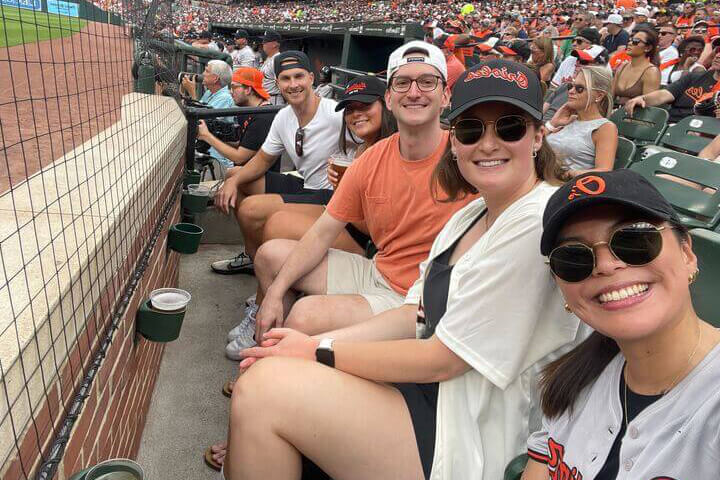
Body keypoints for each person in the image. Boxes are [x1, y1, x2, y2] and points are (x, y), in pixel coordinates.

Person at [218, 59, 582, 480]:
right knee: (278, 365)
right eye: (471, 130)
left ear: (538, 136)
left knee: (263, 393)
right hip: (435, 396)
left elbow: (443, 360)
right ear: (456, 142)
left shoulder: (537, 219)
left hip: (472, 432)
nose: (487, 143)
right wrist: (307, 345)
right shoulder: (473, 215)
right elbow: (416, 314)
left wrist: (320, 350)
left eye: (509, 128)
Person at [251, 41, 479, 341]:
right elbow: (322, 233)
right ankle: (270, 347)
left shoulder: (468, 155)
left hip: (415, 298)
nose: (414, 92)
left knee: (305, 316)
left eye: (427, 82)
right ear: (389, 97)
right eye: (402, 83)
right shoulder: (372, 155)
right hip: (378, 271)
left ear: (445, 95)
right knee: (269, 255)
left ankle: (279, 357)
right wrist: (273, 295)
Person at [521, 169, 720, 480]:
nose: (605, 265)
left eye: (635, 240)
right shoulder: (572, 380)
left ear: (687, 254)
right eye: (574, 257)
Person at [210, 51, 344, 277]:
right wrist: (233, 182)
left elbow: (370, 139)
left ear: (311, 78)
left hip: (330, 194)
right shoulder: (284, 116)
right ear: (277, 83)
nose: (293, 85)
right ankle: (254, 260)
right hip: (308, 187)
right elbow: (263, 159)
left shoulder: (334, 113)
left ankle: (267, 265)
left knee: (250, 210)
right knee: (235, 174)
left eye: (298, 76)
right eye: (286, 78)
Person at [196, 67, 278, 170]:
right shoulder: (246, 111)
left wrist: (206, 136)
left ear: (248, 89)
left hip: (261, 180)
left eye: (234, 87)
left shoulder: (264, 117)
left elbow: (240, 158)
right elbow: (241, 144)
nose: (230, 92)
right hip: (243, 175)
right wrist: (214, 133)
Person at [546, 66, 618, 176]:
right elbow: (534, 146)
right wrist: (553, 123)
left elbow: (604, 171)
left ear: (598, 96)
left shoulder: (605, 128)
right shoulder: (568, 120)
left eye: (579, 88)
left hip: (563, 185)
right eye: (571, 86)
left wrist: (567, 174)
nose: (570, 91)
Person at [624, 45, 720, 123]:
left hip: (697, 130)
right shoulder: (695, 77)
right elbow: (664, 94)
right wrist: (642, 99)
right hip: (670, 122)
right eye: (718, 51)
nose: (718, 55)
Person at [180, 60, 236, 167]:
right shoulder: (210, 92)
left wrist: (192, 92)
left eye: (207, 71)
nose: (203, 74)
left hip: (216, 159)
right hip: (205, 151)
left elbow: (201, 121)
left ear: (215, 78)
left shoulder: (224, 98)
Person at [612, 27, 661, 105]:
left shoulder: (651, 72)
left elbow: (649, 105)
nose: (630, 43)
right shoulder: (622, 67)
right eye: (630, 39)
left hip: (635, 116)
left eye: (636, 41)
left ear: (648, 48)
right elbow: (610, 97)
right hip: (615, 113)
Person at [260, 30, 284, 105]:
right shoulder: (270, 58)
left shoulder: (278, 59)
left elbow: (282, 85)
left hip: (274, 99)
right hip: (266, 98)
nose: (263, 43)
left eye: (266, 41)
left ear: (274, 44)